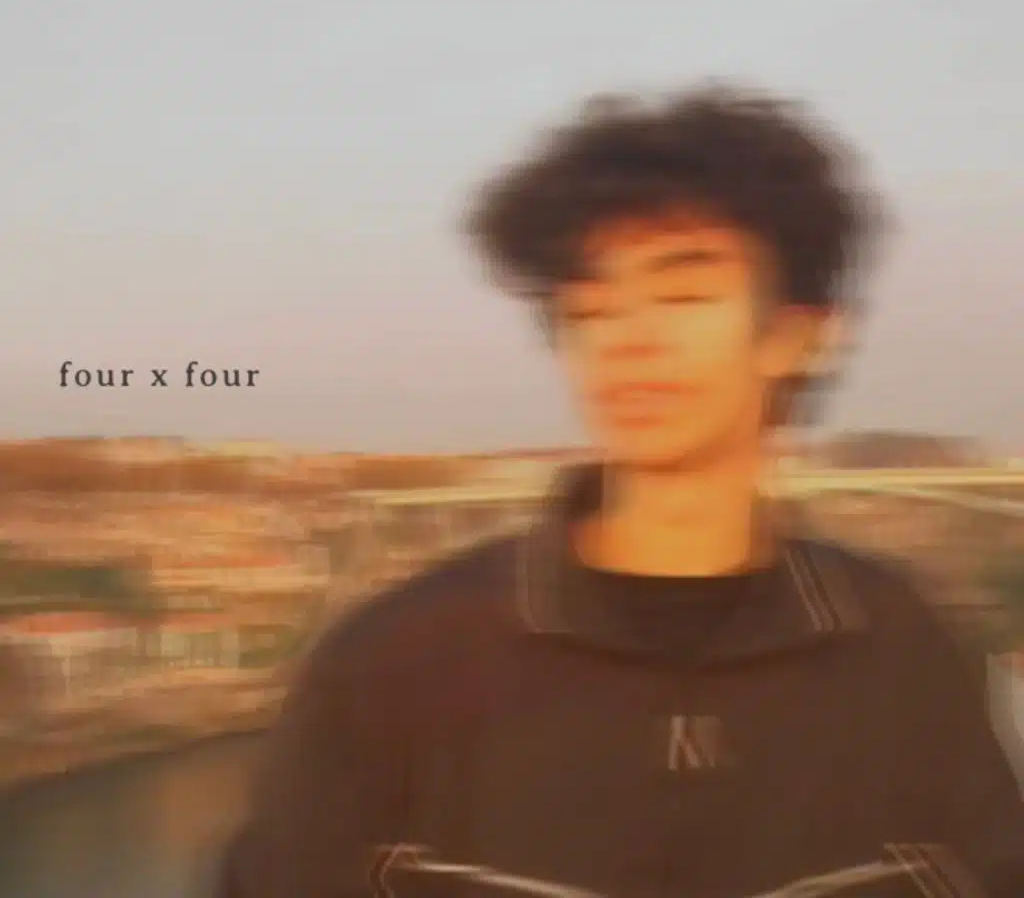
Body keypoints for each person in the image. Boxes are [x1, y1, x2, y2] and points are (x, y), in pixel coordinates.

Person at [214, 85, 1024, 898]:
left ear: (798, 335)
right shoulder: (392, 666)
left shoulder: (908, 656)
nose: (630, 341)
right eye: (594, 310)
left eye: (683, 296)